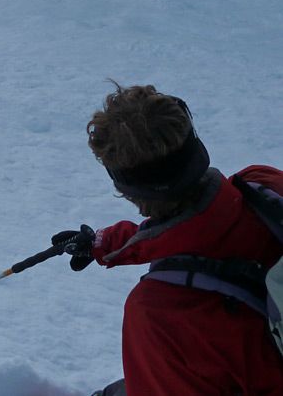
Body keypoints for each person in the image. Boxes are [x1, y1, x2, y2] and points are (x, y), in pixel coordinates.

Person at [53, 84, 283, 396]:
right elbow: (207, 227)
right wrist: (106, 243)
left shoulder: (157, 314)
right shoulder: (265, 189)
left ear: (127, 189)